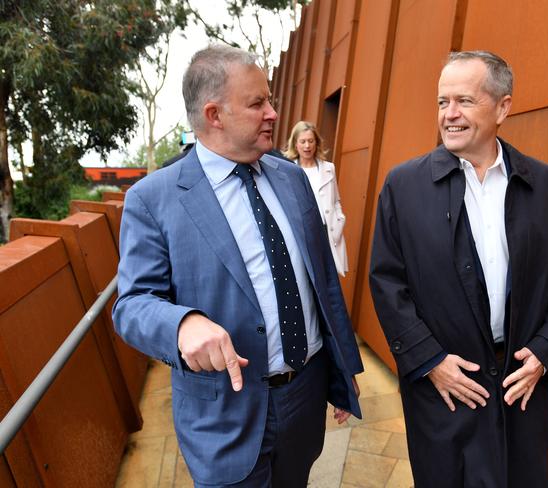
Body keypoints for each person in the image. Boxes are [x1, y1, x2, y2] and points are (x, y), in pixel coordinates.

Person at [112, 45, 363, 487]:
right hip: (222, 416)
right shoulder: (153, 199)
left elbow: (322, 279)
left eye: (270, 100)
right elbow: (131, 304)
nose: (272, 113)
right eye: (257, 103)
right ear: (214, 114)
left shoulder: (290, 177)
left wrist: (344, 372)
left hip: (304, 397)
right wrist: (181, 324)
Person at [369, 50, 548, 487]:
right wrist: (429, 361)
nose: (449, 115)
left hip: (521, 384)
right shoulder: (403, 186)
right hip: (445, 389)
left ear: (503, 106)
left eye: (464, 101)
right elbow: (387, 282)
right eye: (441, 102)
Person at [284, 121, 348, 276]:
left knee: (328, 277)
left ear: (316, 143)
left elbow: (335, 200)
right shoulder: (288, 169)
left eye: (311, 141)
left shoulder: (328, 168)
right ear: (295, 144)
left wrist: (339, 219)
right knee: (303, 277)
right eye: (303, 141)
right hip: (301, 232)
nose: (307, 146)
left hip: (326, 232)